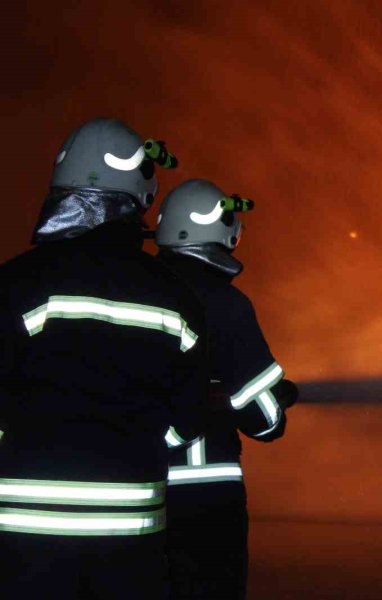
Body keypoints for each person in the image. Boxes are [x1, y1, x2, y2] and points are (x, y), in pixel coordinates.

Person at [0, 118, 209, 599]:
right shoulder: (176, 297)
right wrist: (141, 446)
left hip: (23, 538)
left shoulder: (17, 283)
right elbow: (189, 417)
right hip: (132, 537)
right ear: (139, 194)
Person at [154, 178, 298, 599]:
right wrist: (279, 402)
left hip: (136, 490)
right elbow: (263, 421)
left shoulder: (140, 290)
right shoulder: (224, 303)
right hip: (205, 499)